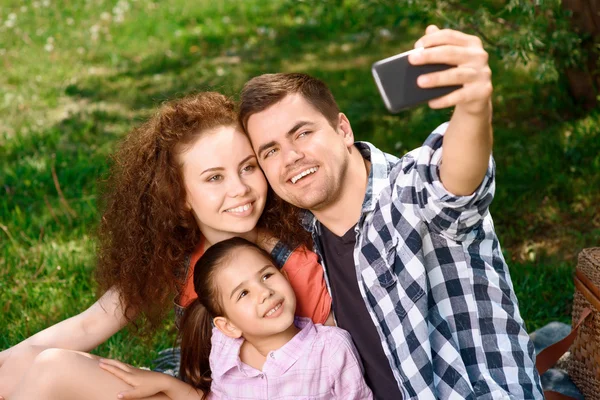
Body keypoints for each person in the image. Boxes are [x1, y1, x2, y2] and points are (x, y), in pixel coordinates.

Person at [238, 26, 544, 399]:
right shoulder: (305, 233)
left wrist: (474, 107)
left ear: (343, 129)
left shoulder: (411, 194)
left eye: (302, 133)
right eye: (270, 151)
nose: (290, 158)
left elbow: (454, 180)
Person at [1, 92, 332, 399]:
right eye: (215, 177)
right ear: (180, 195)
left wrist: (172, 387)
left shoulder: (290, 267)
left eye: (248, 168)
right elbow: (91, 323)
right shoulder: (179, 256)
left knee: (53, 368)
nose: (240, 188)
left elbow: (329, 370)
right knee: (13, 369)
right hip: (193, 391)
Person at [97, 237, 373, 400]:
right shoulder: (226, 349)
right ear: (227, 325)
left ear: (285, 277)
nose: (265, 293)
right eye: (243, 293)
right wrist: (167, 384)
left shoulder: (330, 349)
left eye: (267, 275)